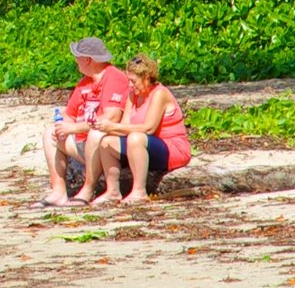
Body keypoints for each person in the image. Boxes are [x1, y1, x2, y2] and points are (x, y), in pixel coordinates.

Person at [81, 54, 192, 206]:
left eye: (133, 81)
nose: (130, 85)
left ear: (146, 77)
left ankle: (139, 190)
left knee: (135, 137)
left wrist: (114, 127)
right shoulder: (132, 95)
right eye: (129, 80)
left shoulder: (159, 93)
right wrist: (105, 128)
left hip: (171, 147)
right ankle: (112, 191)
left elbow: (149, 128)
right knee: (106, 141)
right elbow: (125, 125)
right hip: (144, 145)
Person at [38, 36, 133, 208]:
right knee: (49, 133)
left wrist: (73, 127)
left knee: (96, 133)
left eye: (77, 56)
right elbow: (70, 114)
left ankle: (88, 190)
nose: (75, 61)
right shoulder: (85, 82)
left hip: (105, 145)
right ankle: (58, 191)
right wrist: (63, 126)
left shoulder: (114, 77)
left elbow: (110, 117)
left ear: (88, 59)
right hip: (82, 143)